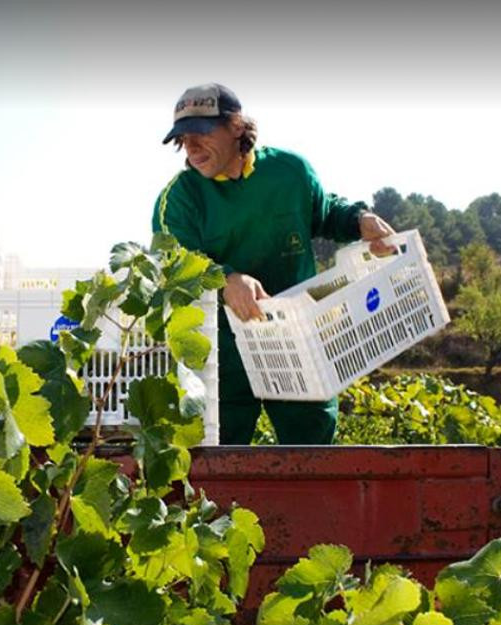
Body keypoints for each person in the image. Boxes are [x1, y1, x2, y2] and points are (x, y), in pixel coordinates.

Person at [152, 82, 395, 445]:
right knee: (217, 463)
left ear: (236, 127)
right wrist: (226, 279)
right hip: (221, 354)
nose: (191, 147)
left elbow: (324, 212)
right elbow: (175, 263)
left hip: (296, 341)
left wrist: (360, 220)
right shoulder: (180, 198)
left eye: (201, 133)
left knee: (311, 454)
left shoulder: (290, 172)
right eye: (183, 139)